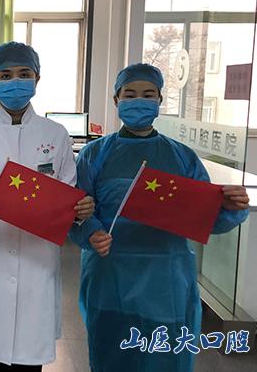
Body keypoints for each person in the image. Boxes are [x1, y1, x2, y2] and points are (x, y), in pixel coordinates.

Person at [69, 63, 250, 372]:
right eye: (130, 94)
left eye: (148, 94)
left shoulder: (182, 157)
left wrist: (231, 208)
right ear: (116, 100)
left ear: (160, 100)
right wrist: (92, 232)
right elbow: (78, 209)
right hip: (110, 277)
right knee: (112, 356)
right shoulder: (94, 154)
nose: (139, 100)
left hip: (166, 282)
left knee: (165, 359)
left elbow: (205, 217)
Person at [0, 41, 95, 372]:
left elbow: (67, 192)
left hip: (37, 260)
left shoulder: (56, 135)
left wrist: (79, 208)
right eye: (5, 75)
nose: (15, 81)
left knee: (30, 364)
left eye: (24, 74)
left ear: (37, 79)